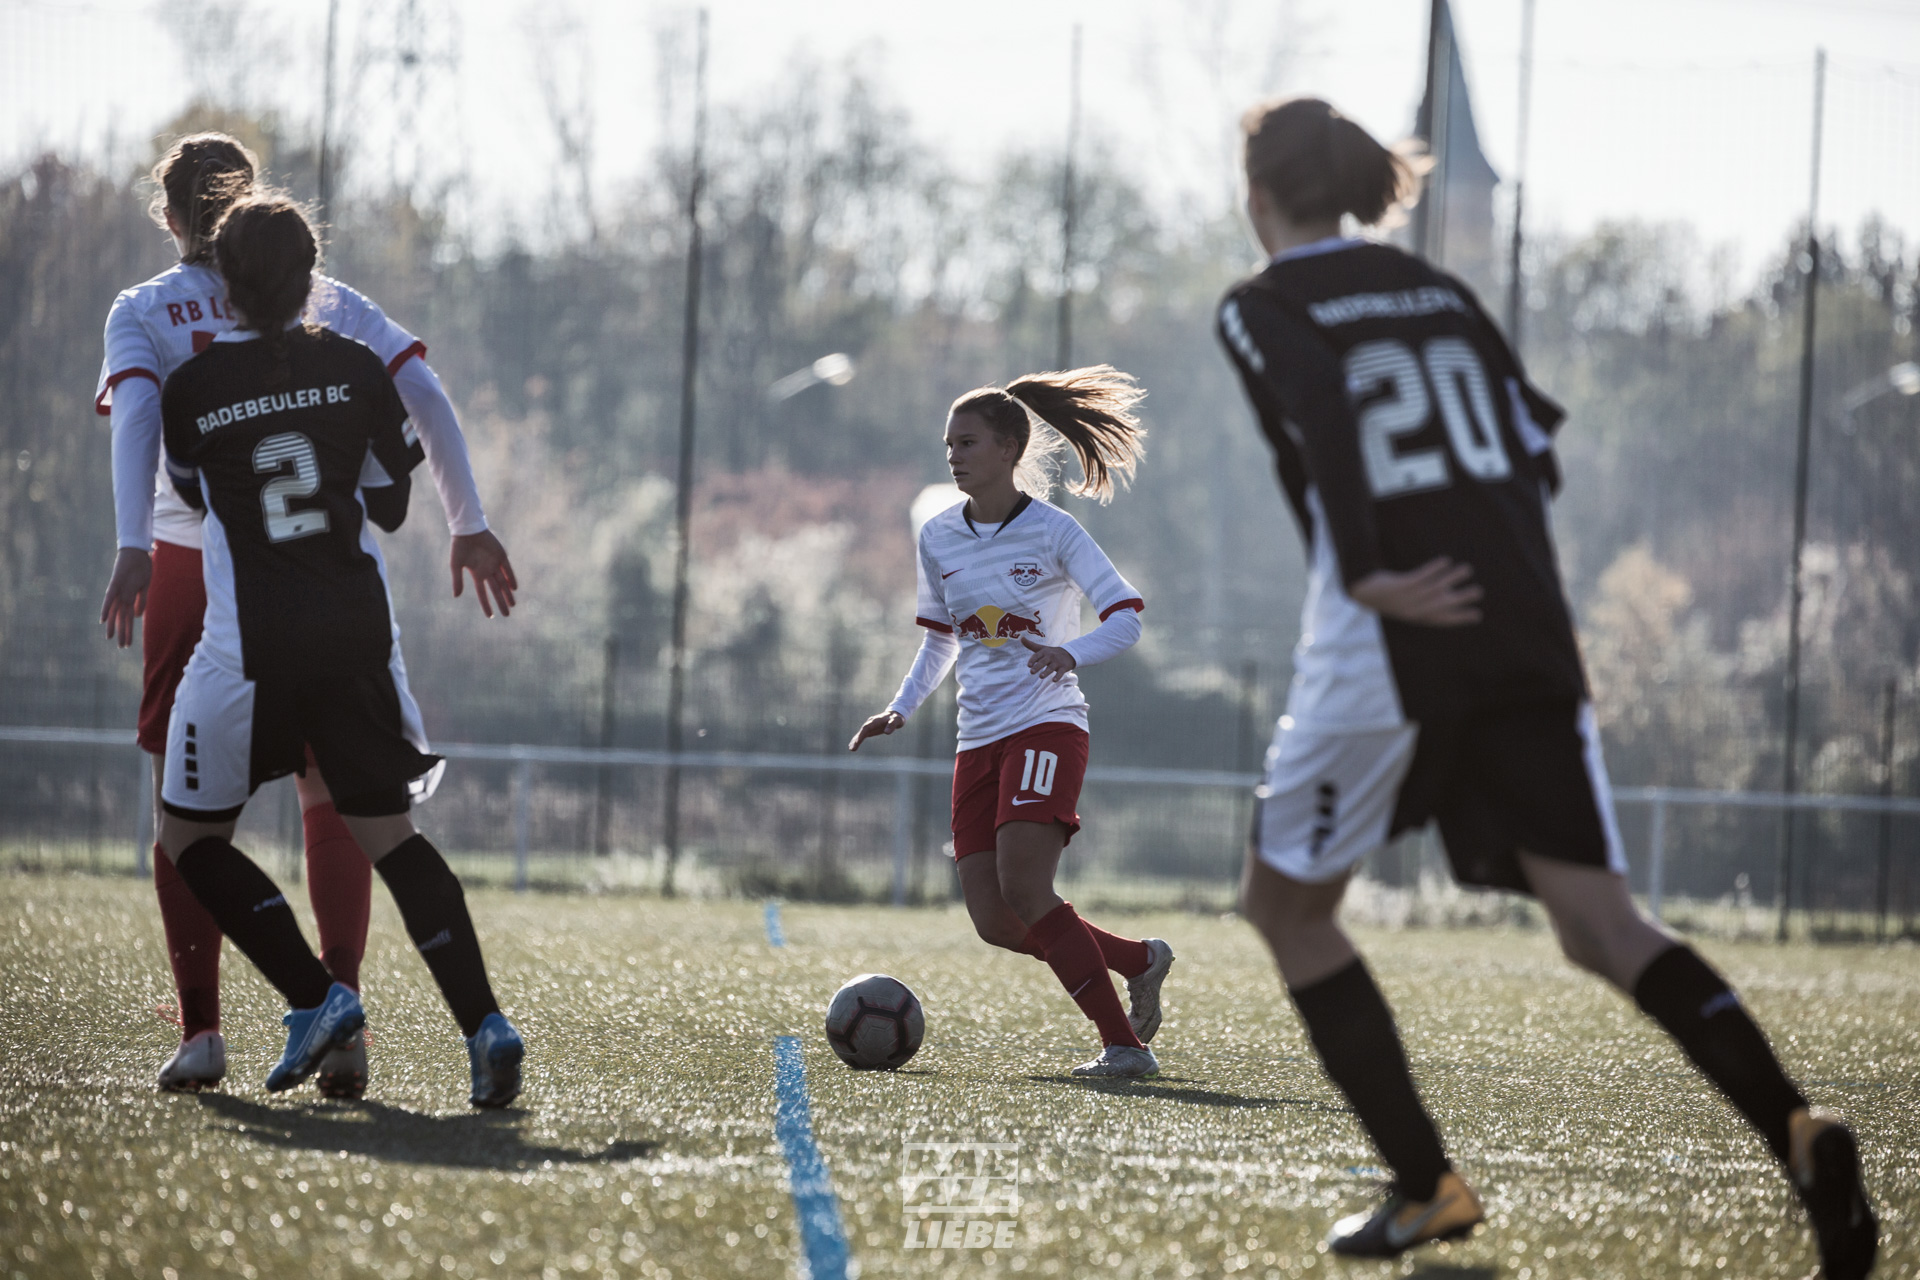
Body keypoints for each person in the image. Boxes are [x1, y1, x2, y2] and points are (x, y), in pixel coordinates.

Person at [1215, 96, 1878, 1276]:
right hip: (1524, 626)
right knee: (1603, 923)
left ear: (1258, 195)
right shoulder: (1446, 295)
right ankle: (1796, 1125)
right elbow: (1535, 446)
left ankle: (1426, 1185)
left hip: (1388, 636)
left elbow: (1325, 417)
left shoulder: (1262, 302)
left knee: (1287, 907)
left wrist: (1371, 567)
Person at [94, 133, 517, 1098]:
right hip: (350, 602)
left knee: (186, 825)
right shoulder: (343, 334)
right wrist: (470, 521)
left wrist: (130, 544)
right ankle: (447, 1023)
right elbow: (402, 441)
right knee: (365, 819)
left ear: (172, 218)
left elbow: (163, 455)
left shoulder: (159, 335)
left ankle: (228, 1025)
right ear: (305, 263)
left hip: (221, 598)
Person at [849, 366, 1174, 1080]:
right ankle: (1138, 960)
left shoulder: (1055, 531)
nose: (953, 457)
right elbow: (940, 639)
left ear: (1007, 448)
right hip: (979, 738)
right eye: (947, 446)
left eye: (966, 443)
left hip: (1047, 727)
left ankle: (1125, 1047)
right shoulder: (938, 536)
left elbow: (1125, 619)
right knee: (998, 922)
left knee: (1029, 891)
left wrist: (1069, 652)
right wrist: (901, 707)